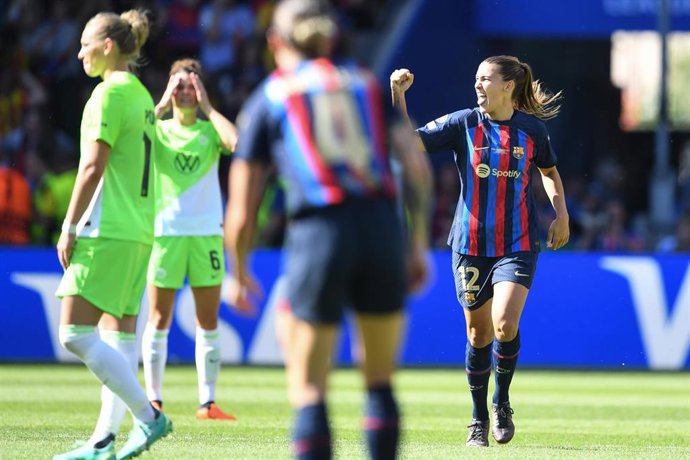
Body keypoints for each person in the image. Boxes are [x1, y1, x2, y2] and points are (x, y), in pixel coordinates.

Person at [224, 1, 432, 459]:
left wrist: (237, 272)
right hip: (380, 228)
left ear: (275, 41)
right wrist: (415, 245)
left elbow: (242, 209)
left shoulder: (271, 96)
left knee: (309, 388)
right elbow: (416, 168)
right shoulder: (366, 83)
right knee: (379, 383)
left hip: (320, 232)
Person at [390, 55, 570, 448]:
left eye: (485, 79)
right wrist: (397, 95)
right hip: (470, 245)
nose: (477, 85)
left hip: (519, 242)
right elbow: (406, 144)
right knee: (478, 333)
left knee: (505, 323)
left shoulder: (532, 131)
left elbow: (549, 171)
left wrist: (561, 214)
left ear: (508, 86)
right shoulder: (463, 123)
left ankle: (501, 401)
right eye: (476, 78)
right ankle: (477, 419)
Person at [53, 9, 172, 460]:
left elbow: (91, 165)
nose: (80, 51)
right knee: (118, 338)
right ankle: (104, 441)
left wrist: (68, 226)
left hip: (108, 229)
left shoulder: (107, 95)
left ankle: (148, 417)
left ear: (108, 47)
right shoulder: (141, 94)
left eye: (86, 42)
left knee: (74, 334)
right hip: (138, 229)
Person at [141, 57, 239, 420]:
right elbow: (135, 134)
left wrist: (209, 107)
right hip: (167, 234)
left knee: (208, 321)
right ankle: (154, 399)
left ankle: (207, 402)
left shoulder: (210, 131)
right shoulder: (160, 129)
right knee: (158, 319)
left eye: (191, 85)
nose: (185, 90)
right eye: (179, 84)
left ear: (201, 90)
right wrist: (163, 101)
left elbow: (235, 141)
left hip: (206, 236)